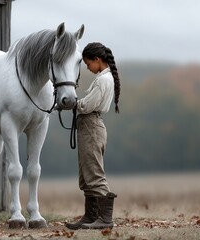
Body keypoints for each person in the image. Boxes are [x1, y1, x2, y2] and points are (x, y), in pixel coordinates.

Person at [66, 42, 120, 230]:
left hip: (91, 127)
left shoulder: (103, 80)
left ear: (97, 60)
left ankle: (105, 219)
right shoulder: (104, 78)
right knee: (87, 174)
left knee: (94, 174)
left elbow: (87, 105)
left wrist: (72, 103)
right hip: (89, 127)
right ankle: (90, 216)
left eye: (88, 64)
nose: (88, 68)